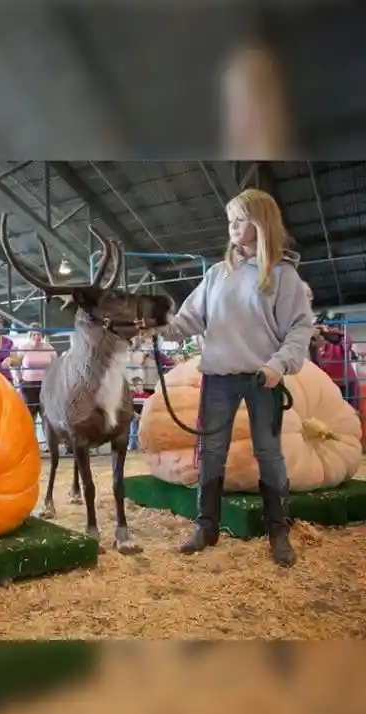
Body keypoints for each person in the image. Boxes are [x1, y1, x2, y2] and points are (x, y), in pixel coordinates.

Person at [160, 188, 313, 568]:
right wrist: (157, 325)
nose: (233, 226)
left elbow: (299, 328)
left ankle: (278, 530)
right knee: (211, 452)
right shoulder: (216, 274)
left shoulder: (282, 274)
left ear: (261, 224)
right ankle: (206, 526)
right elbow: (186, 321)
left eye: (241, 219)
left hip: (264, 380)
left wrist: (277, 366)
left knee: (268, 452)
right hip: (218, 377)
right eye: (231, 219)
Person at [17, 323, 57, 420]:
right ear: (30, 335)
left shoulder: (49, 348)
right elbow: (16, 365)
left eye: (39, 334)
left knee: (48, 416)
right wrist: (19, 380)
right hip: (29, 385)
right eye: (34, 334)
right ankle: (29, 434)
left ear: (42, 336)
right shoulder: (23, 347)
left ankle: (48, 434)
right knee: (29, 416)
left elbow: (56, 365)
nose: (37, 337)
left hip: (46, 385)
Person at [128, 377, 150, 451]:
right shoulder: (132, 396)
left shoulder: (147, 396)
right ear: (135, 386)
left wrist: (142, 415)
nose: (140, 386)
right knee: (133, 426)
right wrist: (135, 414)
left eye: (141, 384)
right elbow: (130, 407)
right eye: (138, 384)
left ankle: (145, 446)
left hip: (144, 416)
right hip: (135, 416)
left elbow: (149, 407)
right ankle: (132, 446)